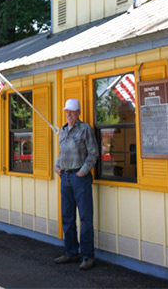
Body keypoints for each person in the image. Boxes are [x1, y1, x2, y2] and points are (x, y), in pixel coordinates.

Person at [54, 99, 98, 271]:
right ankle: (71, 252)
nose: (69, 114)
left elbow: (93, 153)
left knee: (85, 218)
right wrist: (57, 165)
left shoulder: (85, 129)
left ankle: (87, 256)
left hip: (80, 178)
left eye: (72, 111)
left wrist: (82, 171)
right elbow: (62, 152)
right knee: (67, 216)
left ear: (78, 112)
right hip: (65, 178)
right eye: (67, 111)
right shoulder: (63, 130)